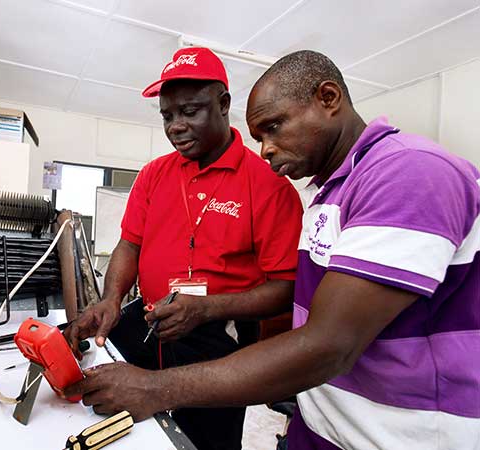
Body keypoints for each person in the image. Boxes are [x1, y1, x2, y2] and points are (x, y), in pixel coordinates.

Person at [65, 50, 480, 449]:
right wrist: (112, 300)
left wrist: (159, 384)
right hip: (323, 423)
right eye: (168, 116)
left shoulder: (410, 173)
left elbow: (327, 340)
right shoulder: (329, 193)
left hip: (393, 433)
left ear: (328, 98)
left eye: (275, 127)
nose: (266, 149)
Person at [63, 47, 304, 450]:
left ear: (223, 104)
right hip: (154, 315)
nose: (176, 126)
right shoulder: (154, 175)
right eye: (167, 116)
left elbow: (285, 288)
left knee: (206, 440)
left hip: (222, 333)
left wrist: (207, 308)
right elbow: (129, 244)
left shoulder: (269, 186)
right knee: (124, 415)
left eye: (190, 111)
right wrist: (110, 299)